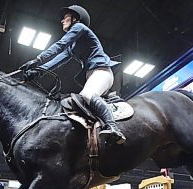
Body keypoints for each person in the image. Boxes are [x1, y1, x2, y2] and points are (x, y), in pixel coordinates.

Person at [20, 5, 126, 145]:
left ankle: (113, 128)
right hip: (92, 75)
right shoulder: (72, 47)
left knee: (87, 94)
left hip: (102, 72)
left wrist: (37, 59)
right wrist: (37, 71)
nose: (62, 21)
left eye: (65, 17)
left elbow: (60, 44)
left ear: (75, 19)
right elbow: (57, 61)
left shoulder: (80, 27)